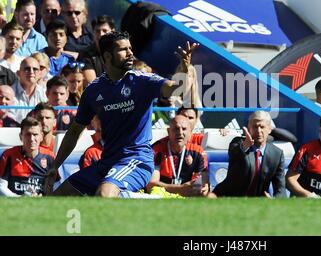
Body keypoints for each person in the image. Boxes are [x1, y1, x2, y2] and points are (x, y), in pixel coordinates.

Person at [44, 31, 199, 197]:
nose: (130, 53)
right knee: (58, 198)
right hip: (107, 163)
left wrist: (185, 68)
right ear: (108, 56)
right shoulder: (93, 91)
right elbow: (74, 131)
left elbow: (176, 88)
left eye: (130, 48)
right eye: (123, 50)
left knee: (104, 194)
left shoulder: (142, 81)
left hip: (136, 160)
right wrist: (55, 165)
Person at [211, 110, 286, 198]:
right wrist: (245, 146)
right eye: (255, 127)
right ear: (248, 128)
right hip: (228, 196)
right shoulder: (237, 143)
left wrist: (273, 201)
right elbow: (234, 153)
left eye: (262, 127)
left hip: (258, 201)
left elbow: (281, 190)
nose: (259, 131)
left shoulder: (277, 154)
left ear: (269, 129)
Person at [146, 115, 208, 197]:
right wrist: (179, 189)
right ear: (168, 131)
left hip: (188, 196)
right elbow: (151, 185)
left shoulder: (198, 152)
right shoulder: (157, 150)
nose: (180, 132)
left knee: (211, 197)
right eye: (176, 128)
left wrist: (202, 188)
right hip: (161, 196)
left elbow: (204, 182)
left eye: (184, 129)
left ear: (190, 132)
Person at [0, 117, 54, 196]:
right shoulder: (8, 155)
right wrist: (19, 198)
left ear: (41, 136)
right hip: (14, 203)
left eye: (35, 135)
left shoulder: (50, 157)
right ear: (20, 136)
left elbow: (57, 185)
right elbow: (1, 186)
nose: (32, 139)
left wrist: (44, 198)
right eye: (28, 134)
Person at [80, 15, 115, 84]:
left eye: (105, 31)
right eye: (97, 31)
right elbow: (92, 84)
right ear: (93, 32)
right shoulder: (86, 55)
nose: (101, 34)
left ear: (113, 32)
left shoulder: (121, 51)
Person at [11, 57, 47, 123]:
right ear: (18, 73)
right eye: (27, 69)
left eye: (35, 69)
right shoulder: (8, 94)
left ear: (39, 74)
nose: (31, 72)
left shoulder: (45, 94)